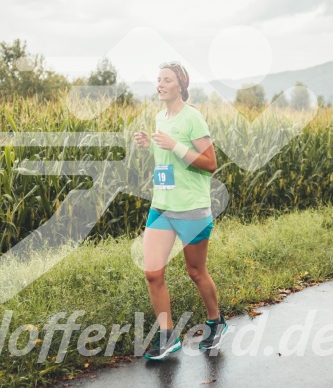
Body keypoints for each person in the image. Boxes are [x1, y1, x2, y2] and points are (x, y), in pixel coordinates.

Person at [133, 61, 228, 361]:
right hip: (162, 206)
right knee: (152, 273)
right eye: (158, 78)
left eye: (167, 79)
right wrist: (150, 144)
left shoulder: (193, 119)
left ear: (181, 86)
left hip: (191, 209)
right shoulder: (160, 116)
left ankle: (215, 321)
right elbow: (167, 160)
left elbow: (210, 163)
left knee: (196, 271)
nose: (159, 84)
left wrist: (174, 145)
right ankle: (168, 336)